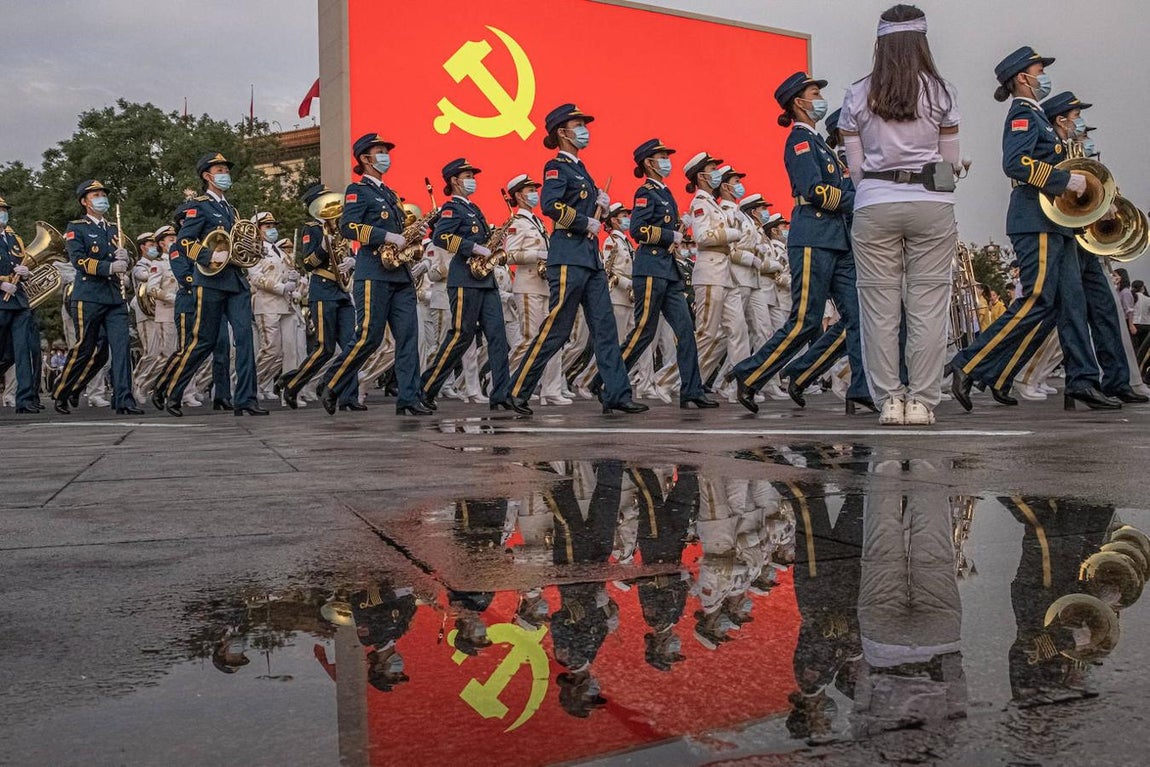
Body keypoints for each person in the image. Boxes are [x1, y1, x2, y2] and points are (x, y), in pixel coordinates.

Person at [949, 48, 1118, 412]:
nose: (1044, 77)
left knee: (1069, 306)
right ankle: (969, 363)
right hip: (1034, 220)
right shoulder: (1022, 116)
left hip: (1056, 223)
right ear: (1023, 78)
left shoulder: (1038, 117)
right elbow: (1015, 163)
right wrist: (1063, 180)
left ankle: (1082, 381)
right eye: (1039, 71)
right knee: (1037, 300)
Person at [839, 4, 960, 425]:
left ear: (880, 43)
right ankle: (923, 401)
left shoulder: (857, 93)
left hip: (874, 202)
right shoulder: (942, 91)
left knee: (878, 308)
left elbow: (854, 169)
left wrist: (875, 187)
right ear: (921, 40)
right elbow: (950, 164)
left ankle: (890, 399)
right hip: (932, 203)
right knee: (927, 306)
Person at [725, 72, 871, 416]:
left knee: (860, 317)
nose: (820, 98)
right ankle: (750, 374)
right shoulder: (800, 142)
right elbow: (816, 190)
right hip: (814, 237)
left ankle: (860, 388)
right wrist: (859, 200)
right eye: (814, 93)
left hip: (837, 239)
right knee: (805, 320)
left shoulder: (819, 143)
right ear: (798, 102)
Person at [508, 104, 647, 415]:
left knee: (605, 327)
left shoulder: (581, 169)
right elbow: (550, 204)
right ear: (562, 132)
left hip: (590, 259)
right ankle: (517, 389)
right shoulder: (556, 166)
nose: (584, 130)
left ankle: (616, 393)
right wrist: (585, 222)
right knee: (557, 328)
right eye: (578, 124)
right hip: (568, 255)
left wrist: (602, 206)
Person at [1042, 93, 1145, 404]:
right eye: (1076, 119)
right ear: (1060, 119)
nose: (1080, 128)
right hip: (1068, 235)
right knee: (1071, 311)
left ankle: (1116, 380)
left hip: (1086, 241)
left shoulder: (1077, 153)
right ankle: (1082, 380)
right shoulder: (1055, 150)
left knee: (1104, 310)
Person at [598, 139, 715, 409]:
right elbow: (638, 230)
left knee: (686, 331)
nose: (667, 161)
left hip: (669, 270)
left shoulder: (665, 192)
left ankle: (692, 390)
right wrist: (669, 234)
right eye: (662, 156)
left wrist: (678, 227)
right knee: (644, 331)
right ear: (649, 163)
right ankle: (607, 381)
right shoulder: (646, 192)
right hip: (650, 268)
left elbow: (665, 230)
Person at [319, 133, 430, 416]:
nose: (385, 157)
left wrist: (412, 238)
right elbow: (349, 227)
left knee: (408, 338)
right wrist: (387, 235)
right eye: (380, 152)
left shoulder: (390, 194)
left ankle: (409, 398)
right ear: (365, 158)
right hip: (374, 273)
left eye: (386, 151)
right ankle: (332, 383)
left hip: (400, 275)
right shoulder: (358, 190)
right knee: (369, 337)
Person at [162, 153, 265, 417]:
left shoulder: (231, 209)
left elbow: (237, 243)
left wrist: (252, 250)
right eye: (220, 170)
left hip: (235, 281)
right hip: (209, 281)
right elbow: (184, 241)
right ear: (207, 176)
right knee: (203, 341)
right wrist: (209, 256)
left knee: (245, 339)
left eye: (226, 170)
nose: (225, 174)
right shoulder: (199, 205)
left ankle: (246, 400)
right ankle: (172, 392)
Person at [421, 157, 514, 410]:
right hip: (464, 280)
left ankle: (502, 394)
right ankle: (427, 387)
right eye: (468, 176)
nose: (473, 180)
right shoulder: (451, 208)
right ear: (454, 180)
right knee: (461, 335)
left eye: (473, 175)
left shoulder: (474, 209)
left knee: (497, 336)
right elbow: (441, 236)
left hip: (486, 281)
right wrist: (473, 247)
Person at [52, 180, 142, 415]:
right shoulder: (76, 227)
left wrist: (127, 260)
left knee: (120, 349)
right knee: (86, 347)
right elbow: (79, 260)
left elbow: (125, 262)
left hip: (114, 297)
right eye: (95, 195)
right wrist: (109, 267)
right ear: (84, 201)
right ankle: (63, 390)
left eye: (103, 194)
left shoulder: (114, 228)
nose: (101, 198)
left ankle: (124, 399)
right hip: (89, 295)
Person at [277, 185, 360, 410]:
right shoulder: (311, 229)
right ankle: (293, 384)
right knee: (325, 348)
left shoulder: (341, 229)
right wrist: (323, 248)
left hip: (341, 291)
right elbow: (309, 263)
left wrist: (353, 262)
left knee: (352, 346)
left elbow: (348, 255)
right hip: (322, 289)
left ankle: (348, 397)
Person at [503, 174, 571, 405]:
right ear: (519, 195)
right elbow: (509, 256)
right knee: (529, 339)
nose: (534, 193)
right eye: (530, 189)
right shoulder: (516, 223)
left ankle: (551, 390)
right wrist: (537, 255)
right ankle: (503, 382)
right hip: (527, 285)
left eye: (535, 188)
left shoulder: (538, 222)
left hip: (544, 286)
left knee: (550, 339)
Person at [248, 211, 300, 400]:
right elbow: (256, 278)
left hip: (285, 304)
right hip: (267, 303)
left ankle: (261, 385)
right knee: (270, 348)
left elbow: (286, 273)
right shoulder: (254, 249)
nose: (273, 230)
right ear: (257, 229)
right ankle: (250, 385)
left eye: (273, 226)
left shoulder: (278, 251)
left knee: (284, 352)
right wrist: (281, 287)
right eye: (268, 227)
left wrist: (293, 280)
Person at [0, 194, 40, 413]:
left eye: (4, 209)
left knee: (22, 351)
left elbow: (21, 262)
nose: (3, 213)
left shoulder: (14, 238)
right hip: (1, 300)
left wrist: (26, 273)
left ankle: (24, 399)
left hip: (19, 301)